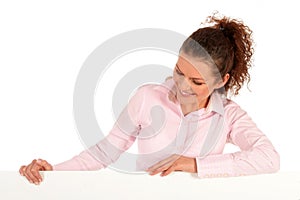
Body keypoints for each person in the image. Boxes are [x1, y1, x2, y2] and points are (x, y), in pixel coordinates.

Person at [19, 13, 280, 185]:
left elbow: (269, 158)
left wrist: (193, 164)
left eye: (197, 82)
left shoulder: (230, 116)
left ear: (221, 81)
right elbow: (103, 153)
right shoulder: (147, 98)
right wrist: (53, 171)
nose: (183, 85)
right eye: (179, 71)